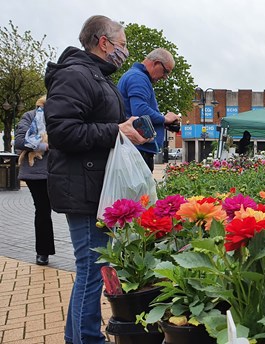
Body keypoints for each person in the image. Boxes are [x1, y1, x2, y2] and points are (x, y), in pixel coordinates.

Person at [44, 15, 148, 344]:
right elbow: (61, 131)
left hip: (94, 187)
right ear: (104, 42)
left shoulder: (96, 77)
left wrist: (127, 129)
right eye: (123, 44)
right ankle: (88, 339)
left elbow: (100, 126)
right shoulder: (76, 75)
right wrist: (116, 130)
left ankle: (78, 337)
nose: (125, 51)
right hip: (84, 189)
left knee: (92, 270)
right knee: (92, 270)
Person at [118, 48, 180, 171]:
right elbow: (140, 112)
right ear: (156, 63)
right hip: (138, 151)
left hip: (135, 150)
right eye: (165, 71)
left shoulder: (135, 76)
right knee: (141, 191)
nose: (165, 77)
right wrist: (165, 119)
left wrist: (163, 122)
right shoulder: (138, 78)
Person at [14, 95, 55, 266]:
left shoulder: (60, 118)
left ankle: (80, 251)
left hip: (59, 169)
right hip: (36, 172)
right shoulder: (29, 116)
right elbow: (20, 141)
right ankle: (43, 252)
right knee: (43, 209)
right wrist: (46, 146)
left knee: (71, 210)